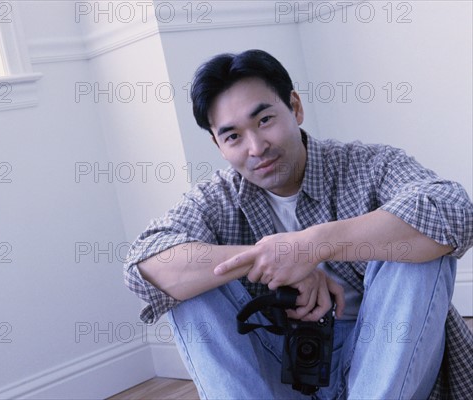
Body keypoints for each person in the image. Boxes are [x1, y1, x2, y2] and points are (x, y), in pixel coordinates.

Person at [123, 49, 473, 399]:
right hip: (283, 369)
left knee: (418, 235)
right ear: (218, 145)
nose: (256, 147)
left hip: (386, 358)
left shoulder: (368, 165)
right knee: (189, 280)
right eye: (233, 137)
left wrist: (312, 245)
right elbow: (144, 266)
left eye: (264, 121)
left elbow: (453, 210)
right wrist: (272, 259)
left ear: (295, 107)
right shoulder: (216, 198)